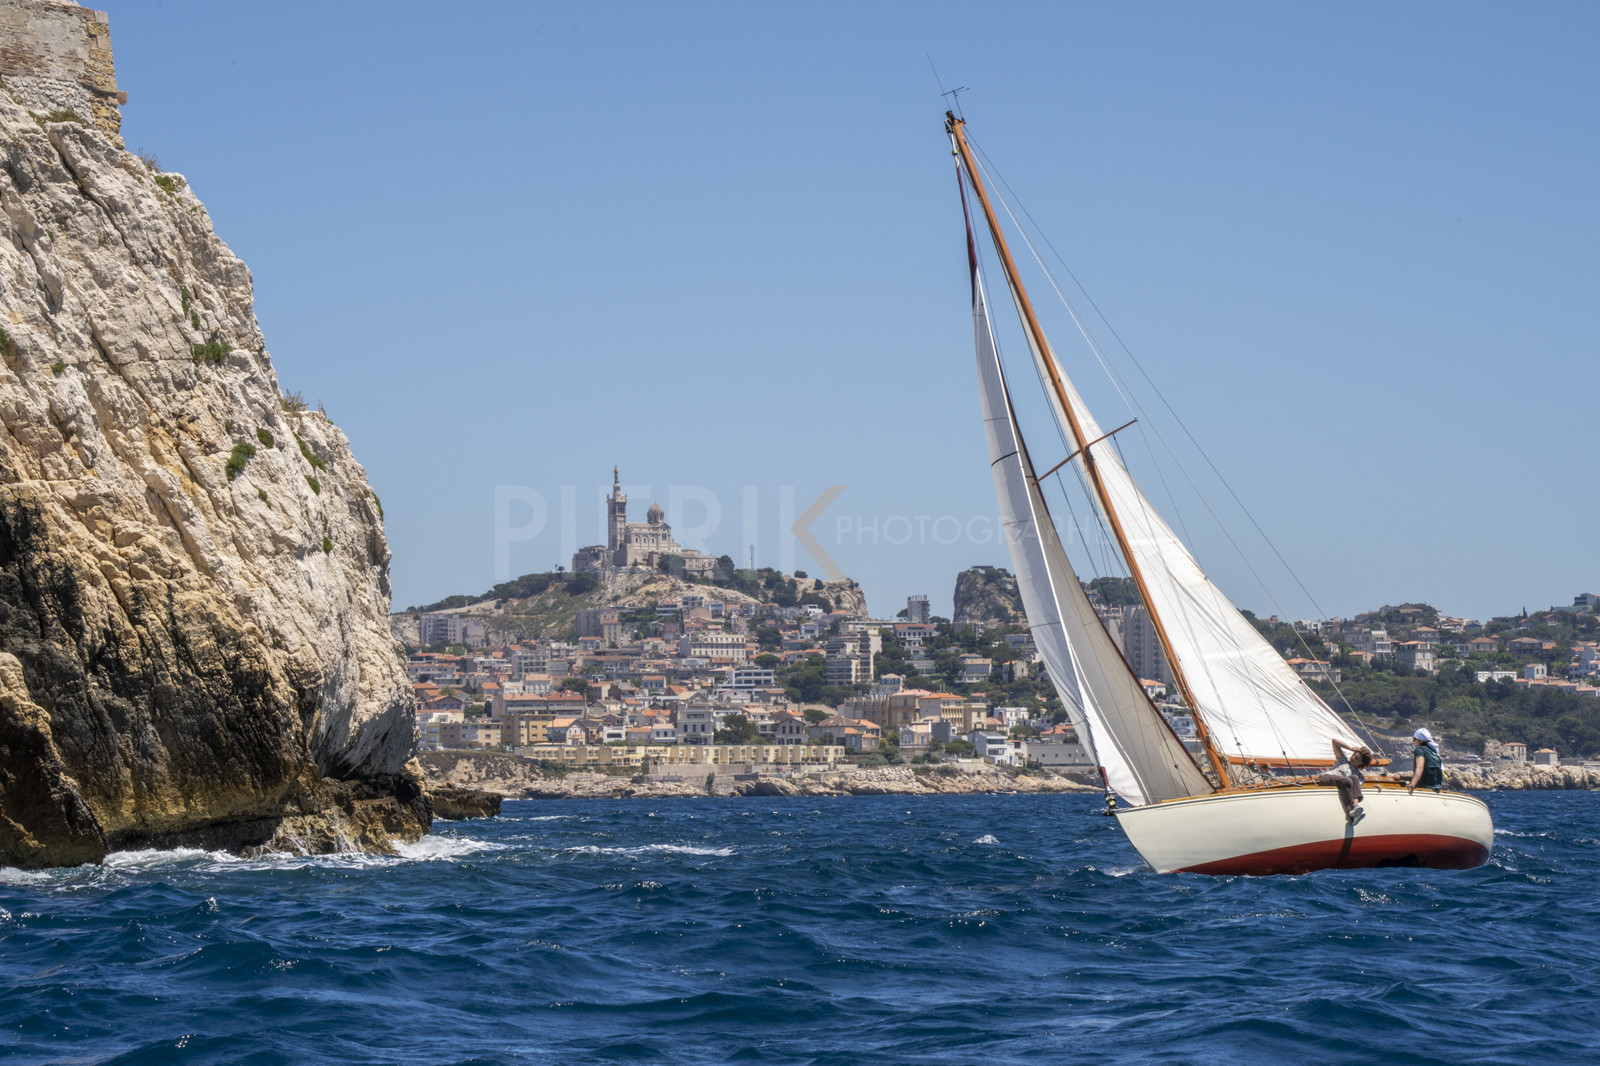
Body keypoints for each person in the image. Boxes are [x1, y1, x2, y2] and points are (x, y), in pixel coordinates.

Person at [1318, 738, 1374, 821]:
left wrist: (1375, 786)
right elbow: (1334, 741)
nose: (1353, 757)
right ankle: (1351, 811)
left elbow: (1357, 789)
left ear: (1362, 762)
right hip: (1328, 778)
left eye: (1357, 758)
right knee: (1347, 780)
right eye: (1353, 755)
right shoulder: (1343, 760)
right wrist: (1351, 748)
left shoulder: (1359, 775)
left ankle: (1355, 807)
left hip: (1343, 783)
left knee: (1354, 778)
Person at [1408, 728, 1444, 795]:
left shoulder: (1420, 749)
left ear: (1420, 740)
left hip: (1424, 788)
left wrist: (1412, 784)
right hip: (1435, 789)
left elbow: (1420, 768)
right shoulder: (1434, 752)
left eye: (1414, 739)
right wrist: (1402, 778)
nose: (1413, 741)